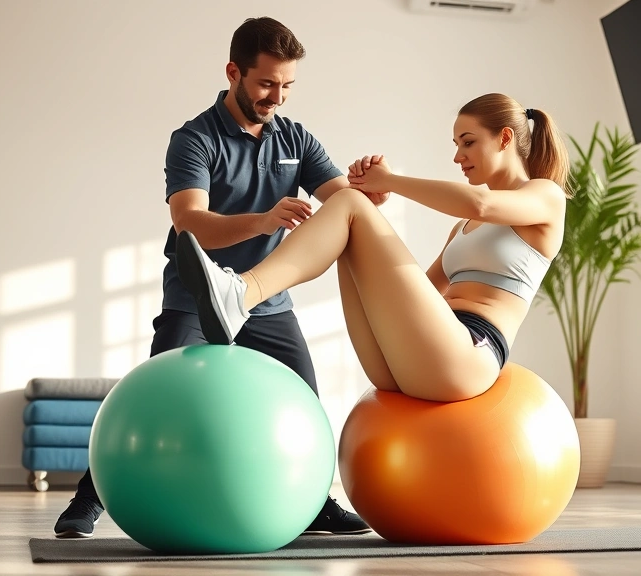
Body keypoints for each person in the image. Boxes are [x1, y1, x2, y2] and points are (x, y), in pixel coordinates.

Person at [53, 16, 375, 539]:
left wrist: (371, 190)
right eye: (267, 83)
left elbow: (345, 203)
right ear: (234, 72)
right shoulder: (194, 139)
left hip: (267, 300)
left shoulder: (295, 137)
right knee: (155, 400)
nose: (278, 96)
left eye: (287, 85)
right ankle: (90, 501)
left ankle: (315, 504)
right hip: (195, 297)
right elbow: (189, 224)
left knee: (306, 405)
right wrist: (268, 218)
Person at [177, 93, 569, 403]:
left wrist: (390, 181)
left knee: (347, 204)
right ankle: (240, 295)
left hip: (469, 355)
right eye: (455, 143)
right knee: (349, 212)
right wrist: (369, 197)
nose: (457, 156)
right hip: (410, 359)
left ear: (504, 138)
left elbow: (479, 203)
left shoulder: (546, 197)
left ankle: (241, 293)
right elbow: (418, 291)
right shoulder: (463, 230)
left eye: (468, 142)